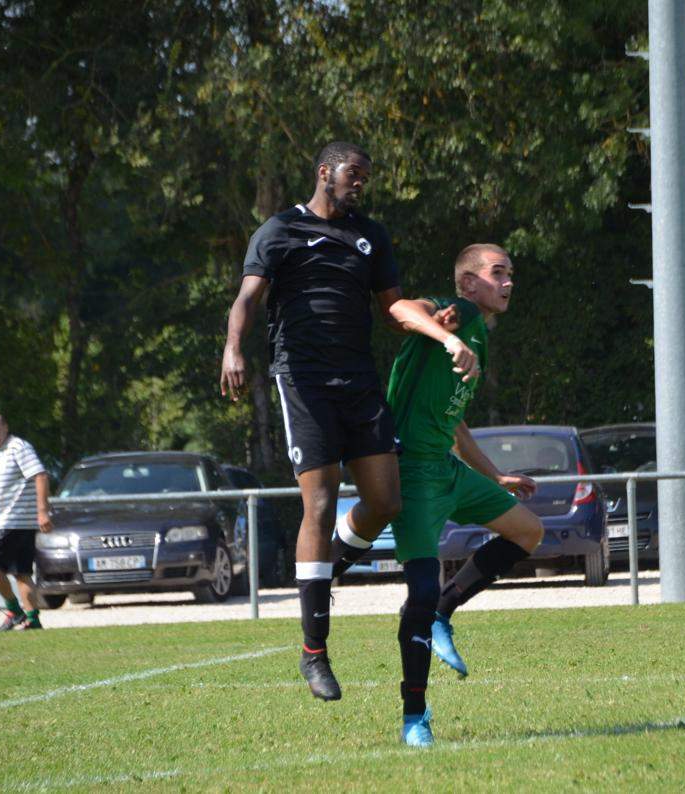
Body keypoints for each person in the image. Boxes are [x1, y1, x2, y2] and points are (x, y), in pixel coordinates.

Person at [219, 142, 462, 701]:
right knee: (321, 503)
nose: (361, 185)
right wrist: (234, 347)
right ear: (324, 171)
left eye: (366, 178)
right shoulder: (278, 230)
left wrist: (428, 317)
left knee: (385, 500)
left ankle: (328, 567)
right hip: (302, 381)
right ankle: (314, 651)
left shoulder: (370, 235)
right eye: (355, 175)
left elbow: (393, 310)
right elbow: (247, 300)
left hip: (359, 381)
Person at [358, 243, 544, 746]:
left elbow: (454, 420)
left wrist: (494, 474)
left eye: (511, 274)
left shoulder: (478, 332)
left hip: (447, 468)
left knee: (528, 530)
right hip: (412, 472)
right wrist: (444, 334)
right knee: (417, 593)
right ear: (467, 284)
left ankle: (444, 610)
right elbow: (400, 308)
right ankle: (414, 716)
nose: (508, 282)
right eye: (498, 273)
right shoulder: (458, 313)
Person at [0, 412, 53, 631]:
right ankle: (33, 619)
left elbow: (41, 475)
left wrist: (42, 511)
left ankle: (15, 611)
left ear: (6, 427)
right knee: (22, 572)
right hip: (10, 522)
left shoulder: (18, 447)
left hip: (15, 521)